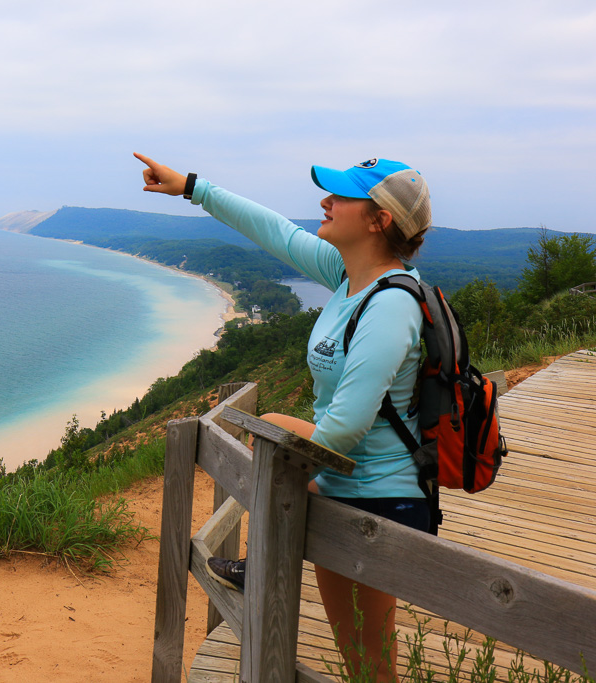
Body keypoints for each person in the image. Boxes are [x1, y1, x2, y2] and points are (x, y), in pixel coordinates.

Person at [134, 152, 433, 682]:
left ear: (378, 220)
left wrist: (269, 431)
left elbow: (340, 436)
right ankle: (266, 555)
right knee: (361, 660)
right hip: (342, 491)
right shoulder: (348, 275)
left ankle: (265, 556)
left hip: (375, 503)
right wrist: (192, 187)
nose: (325, 201)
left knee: (371, 667)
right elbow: (271, 228)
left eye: (341, 196)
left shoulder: (390, 307)